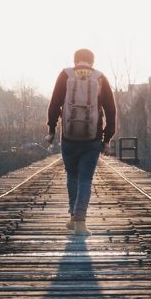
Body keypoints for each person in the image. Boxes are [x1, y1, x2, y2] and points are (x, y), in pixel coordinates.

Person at [45, 48, 117, 236]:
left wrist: (52, 130)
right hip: (93, 138)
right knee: (85, 179)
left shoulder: (65, 75)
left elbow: (54, 104)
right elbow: (111, 110)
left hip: (68, 137)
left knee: (72, 176)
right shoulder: (100, 77)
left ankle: (73, 217)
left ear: (75, 61)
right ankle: (80, 222)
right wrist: (107, 139)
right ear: (92, 62)